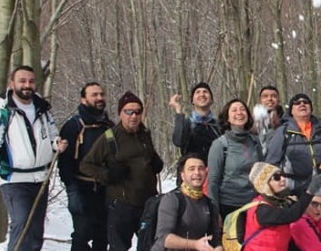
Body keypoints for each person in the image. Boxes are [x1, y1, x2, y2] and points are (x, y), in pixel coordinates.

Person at [0, 65, 68, 251]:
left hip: (40, 178)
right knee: (21, 223)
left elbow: (51, 134)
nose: (27, 85)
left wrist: (56, 144)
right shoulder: (1, 111)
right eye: (22, 81)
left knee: (36, 230)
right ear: (12, 84)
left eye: (31, 81)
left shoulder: (42, 109)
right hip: (14, 180)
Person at [80, 91, 164, 251]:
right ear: (120, 113)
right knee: (119, 247)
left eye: (137, 112)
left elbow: (148, 157)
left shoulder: (144, 133)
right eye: (128, 112)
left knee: (151, 245)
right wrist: (107, 174)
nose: (133, 116)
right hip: (121, 204)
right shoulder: (110, 137)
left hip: (147, 202)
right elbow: (86, 165)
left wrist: (156, 161)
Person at [58, 82, 114, 251]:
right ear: (83, 99)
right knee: (82, 234)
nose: (99, 98)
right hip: (81, 187)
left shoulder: (109, 127)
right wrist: (72, 189)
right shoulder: (72, 126)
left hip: (105, 188)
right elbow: (64, 162)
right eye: (94, 95)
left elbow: (115, 154)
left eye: (101, 94)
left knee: (103, 235)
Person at [242, 163, 321, 251]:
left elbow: (304, 188)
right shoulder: (261, 210)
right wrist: (311, 190)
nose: (283, 179)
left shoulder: (280, 200)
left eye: (281, 175)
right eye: (276, 177)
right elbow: (291, 215)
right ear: (264, 184)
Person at [153, 153, 222, 251]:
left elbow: (216, 240)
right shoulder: (172, 199)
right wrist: (194, 245)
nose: (197, 172)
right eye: (191, 169)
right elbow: (164, 239)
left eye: (201, 168)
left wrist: (218, 248)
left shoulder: (210, 204)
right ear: (183, 175)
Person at [208, 99, 263, 216]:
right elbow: (213, 181)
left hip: (254, 204)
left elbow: (262, 171)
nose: (239, 112)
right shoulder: (220, 144)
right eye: (234, 110)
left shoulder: (255, 141)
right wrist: (214, 211)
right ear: (227, 118)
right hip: (229, 206)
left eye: (242, 109)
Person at [265, 94, 321, 194]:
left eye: (306, 102)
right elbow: (272, 162)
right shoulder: (283, 131)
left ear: (311, 109)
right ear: (291, 111)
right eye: (297, 103)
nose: (302, 104)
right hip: (294, 186)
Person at [170, 82, 222, 160]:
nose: (202, 94)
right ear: (192, 101)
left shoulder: (219, 125)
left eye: (205, 92)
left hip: (215, 170)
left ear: (211, 100)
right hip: (193, 170)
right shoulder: (187, 124)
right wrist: (178, 111)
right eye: (198, 92)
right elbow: (178, 141)